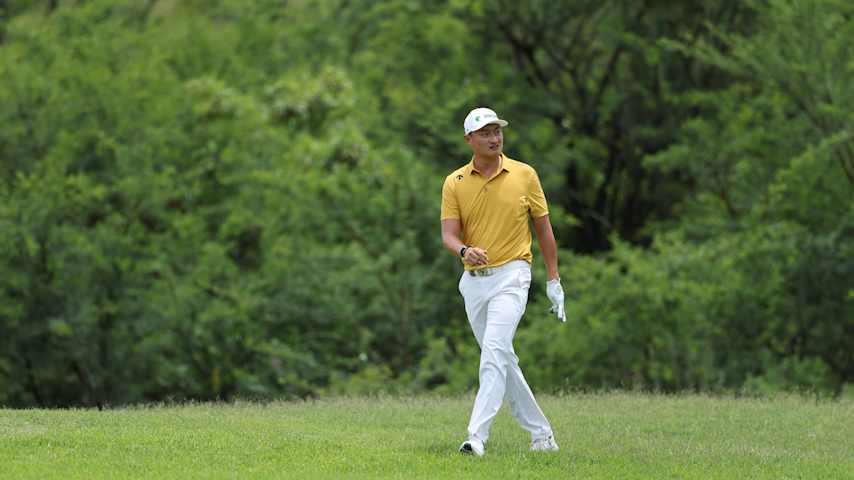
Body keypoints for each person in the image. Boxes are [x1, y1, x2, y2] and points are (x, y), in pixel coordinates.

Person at [440, 107, 566, 457]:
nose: (494, 138)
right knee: (502, 359)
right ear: (469, 139)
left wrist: (553, 279)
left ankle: (476, 437)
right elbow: (449, 236)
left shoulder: (525, 174)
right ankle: (542, 435)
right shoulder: (455, 182)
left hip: (513, 275)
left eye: (497, 131)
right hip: (474, 283)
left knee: (494, 352)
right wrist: (464, 251)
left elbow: (544, 229)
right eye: (485, 133)